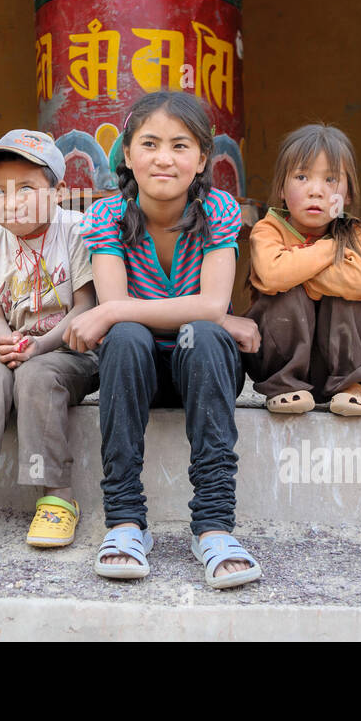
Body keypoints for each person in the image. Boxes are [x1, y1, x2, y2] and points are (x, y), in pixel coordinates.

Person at [65, 91, 263, 590]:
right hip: (140, 375)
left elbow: (210, 306)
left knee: (202, 335)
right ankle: (126, 522)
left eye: (180, 145)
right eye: (149, 143)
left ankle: (214, 527)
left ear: (201, 160)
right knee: (129, 337)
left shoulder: (218, 209)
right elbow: (125, 320)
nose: (164, 157)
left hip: (204, 369)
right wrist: (122, 313)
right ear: (128, 155)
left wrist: (112, 310)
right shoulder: (107, 214)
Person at [0, 130, 98, 552]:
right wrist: (7, 342)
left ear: (59, 192)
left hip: (66, 348)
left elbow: (86, 307)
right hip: (7, 342)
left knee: (37, 377)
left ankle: (57, 494)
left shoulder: (77, 229)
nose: (11, 201)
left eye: (26, 188)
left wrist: (41, 347)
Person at [244, 124, 361, 416]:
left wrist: (295, 266)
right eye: (302, 177)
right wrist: (331, 250)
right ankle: (285, 384)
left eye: (331, 179)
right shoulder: (268, 229)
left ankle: (350, 385)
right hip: (279, 359)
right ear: (281, 188)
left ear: (349, 194)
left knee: (345, 298)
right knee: (286, 294)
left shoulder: (355, 231)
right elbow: (272, 275)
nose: (316, 191)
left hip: (334, 361)